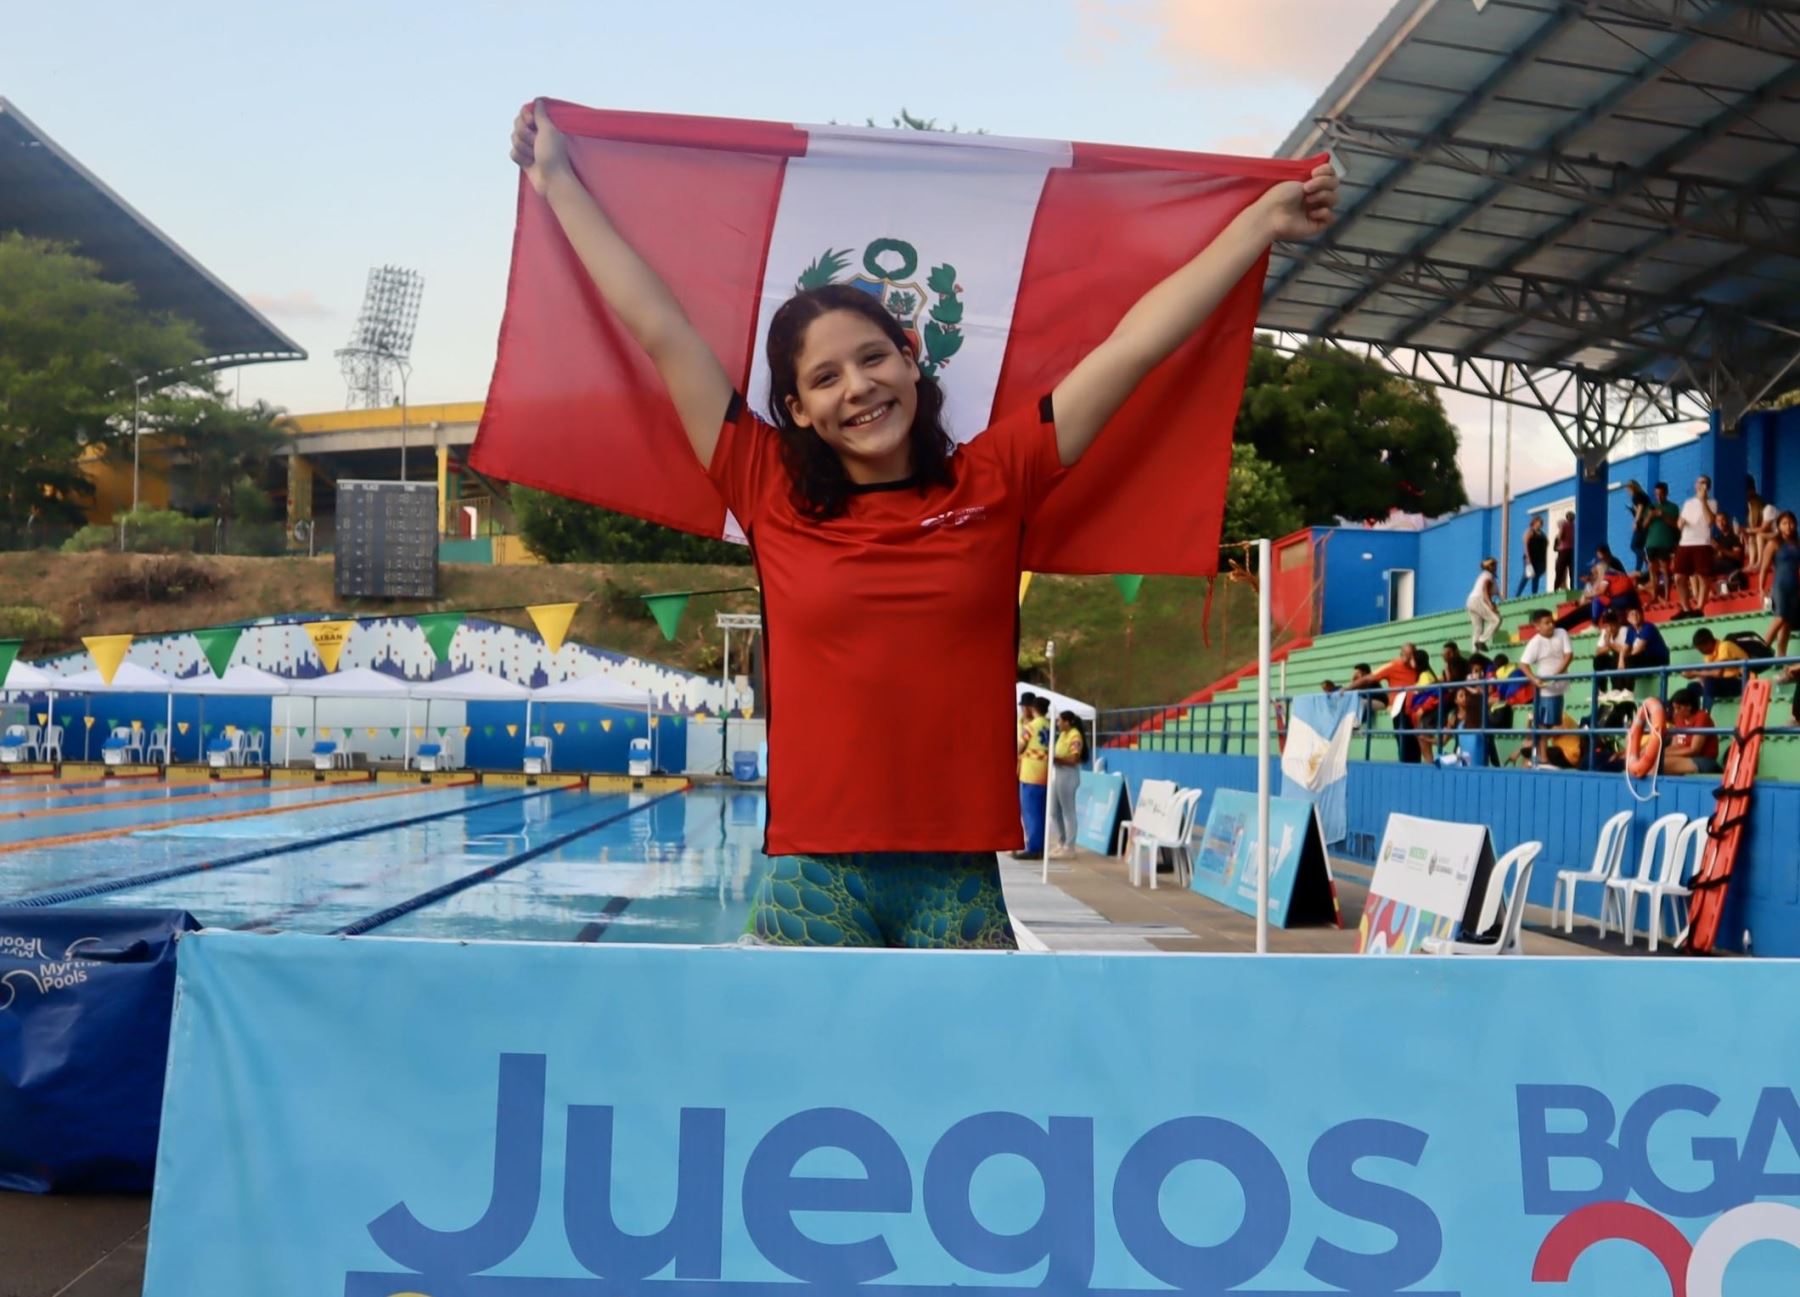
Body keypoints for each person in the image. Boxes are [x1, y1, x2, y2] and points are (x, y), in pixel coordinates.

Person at [506, 99, 1340, 948]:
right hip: (815, 876)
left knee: (976, 1082)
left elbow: (1131, 348)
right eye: (825, 378)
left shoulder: (997, 477)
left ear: (912, 360)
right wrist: (559, 181)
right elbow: (660, 328)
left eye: (873, 358)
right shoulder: (764, 486)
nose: (858, 387)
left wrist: (1255, 226)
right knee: (795, 1081)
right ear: (794, 409)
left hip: (957, 873)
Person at [1518, 609, 1573, 767]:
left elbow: (1569, 655)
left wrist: (1558, 672)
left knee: (1552, 721)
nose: (1551, 625)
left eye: (1552, 621)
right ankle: (1543, 758)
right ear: (1537, 626)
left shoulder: (1562, 633)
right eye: (1546, 623)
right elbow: (1523, 664)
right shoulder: (1535, 642)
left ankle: (1540, 754)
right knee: (1544, 723)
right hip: (1546, 689)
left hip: (1559, 685)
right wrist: (1534, 679)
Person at [1349, 646, 1421, 763]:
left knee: (1415, 744)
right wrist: (1348, 688)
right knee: (1403, 743)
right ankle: (1404, 768)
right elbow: (1369, 678)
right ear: (1401, 654)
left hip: (1415, 710)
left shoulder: (1418, 667)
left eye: (1410, 655)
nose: (1407, 658)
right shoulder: (1393, 665)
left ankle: (1416, 768)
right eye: (1405, 655)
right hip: (1399, 710)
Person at [1673, 476, 1716, 617]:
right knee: (1679, 577)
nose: (1700, 484)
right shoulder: (1688, 503)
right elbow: (1679, 524)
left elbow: (1710, 521)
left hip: (1702, 542)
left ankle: (1699, 608)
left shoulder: (1712, 502)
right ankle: (1686, 608)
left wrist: (1703, 501)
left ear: (1708, 486)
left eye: (1703, 482)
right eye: (1698, 482)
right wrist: (1681, 521)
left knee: (1704, 576)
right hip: (1685, 542)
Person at [1683, 627, 1749, 713]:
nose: (1701, 652)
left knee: (1710, 682)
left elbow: (1718, 673)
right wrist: (1700, 679)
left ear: (1708, 643)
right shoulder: (1708, 655)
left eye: (1701, 649)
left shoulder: (1724, 646)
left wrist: (1696, 673)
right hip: (1724, 683)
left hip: (1741, 682)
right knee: (1692, 687)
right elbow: (1706, 673)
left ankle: (1705, 715)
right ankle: (1693, 717)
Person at [1016, 694, 1050, 860]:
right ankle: (1041, 846)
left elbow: (1020, 747)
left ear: (1033, 708)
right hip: (1045, 773)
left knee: (1030, 812)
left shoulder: (1031, 727)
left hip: (1030, 773)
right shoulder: (1050, 725)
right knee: (1042, 812)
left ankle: (1034, 847)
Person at [1662, 688, 1722, 777]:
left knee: (1660, 764)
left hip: (1704, 761)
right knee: (1652, 760)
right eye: (1674, 708)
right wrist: (1659, 753)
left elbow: (1694, 750)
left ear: (1689, 706)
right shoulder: (1678, 719)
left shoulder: (1702, 717)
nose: (1675, 712)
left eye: (1679, 708)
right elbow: (1675, 746)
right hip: (1682, 759)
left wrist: (1663, 754)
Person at [1049, 710, 1084, 858]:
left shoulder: (1075, 736)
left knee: (1068, 812)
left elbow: (1074, 759)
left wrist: (1056, 759)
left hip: (1069, 776)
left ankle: (1070, 846)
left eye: (1059, 721)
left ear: (1068, 722)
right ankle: (1061, 841)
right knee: (1054, 811)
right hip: (1059, 775)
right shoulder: (1062, 735)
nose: (1057, 724)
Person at [1765, 510, 1799, 659]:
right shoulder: (1774, 543)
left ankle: (1781, 656)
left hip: (1795, 587)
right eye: (1784, 523)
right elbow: (1764, 567)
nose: (1788, 526)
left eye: (1791, 523)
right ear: (1778, 526)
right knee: (1780, 617)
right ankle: (1762, 649)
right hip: (1780, 586)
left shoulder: (1798, 545)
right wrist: (1760, 589)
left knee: (1788, 622)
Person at [1644, 481, 1680, 605]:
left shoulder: (1673, 507)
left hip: (1665, 542)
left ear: (1666, 493)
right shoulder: (1650, 507)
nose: (1659, 497)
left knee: (1665, 569)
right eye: (1656, 494)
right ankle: (1654, 595)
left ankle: (1666, 595)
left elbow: (1676, 525)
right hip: (1651, 543)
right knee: (1652, 569)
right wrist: (1650, 516)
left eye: (1661, 494)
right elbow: (1644, 526)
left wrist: (1663, 515)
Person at [1465, 557, 1502, 651]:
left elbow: (1489, 591)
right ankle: (1482, 640)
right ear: (1488, 567)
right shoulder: (1488, 575)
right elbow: (1485, 589)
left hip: (1471, 601)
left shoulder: (1485, 575)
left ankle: (1475, 655)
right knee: (1496, 620)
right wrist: (1490, 604)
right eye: (1493, 565)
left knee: (1478, 629)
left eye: (1495, 564)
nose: (1495, 566)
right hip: (1478, 600)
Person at [1625, 480, 1652, 578]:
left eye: (1628, 489)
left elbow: (1640, 509)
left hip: (1642, 524)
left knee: (1635, 545)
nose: (1628, 492)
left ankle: (1640, 568)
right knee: (1639, 546)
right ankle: (1644, 564)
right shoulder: (1643, 496)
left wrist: (1636, 522)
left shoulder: (1637, 496)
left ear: (1632, 488)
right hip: (1647, 524)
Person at [1518, 516, 1548, 597]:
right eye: (1539, 522)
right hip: (1530, 558)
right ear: (1534, 522)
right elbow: (1525, 545)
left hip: (1540, 559)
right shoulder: (1529, 532)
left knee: (1536, 577)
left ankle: (1534, 594)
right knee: (1526, 576)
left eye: (1541, 523)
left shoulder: (1542, 534)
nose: (1541, 524)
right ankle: (1518, 594)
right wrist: (1528, 557)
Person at [1553, 510, 1576, 591]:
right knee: (1572, 571)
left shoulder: (1564, 525)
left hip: (1564, 551)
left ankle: (1555, 589)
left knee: (1560, 571)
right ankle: (1572, 588)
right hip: (1572, 550)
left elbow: (1560, 538)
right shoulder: (1575, 526)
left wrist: (1559, 543)